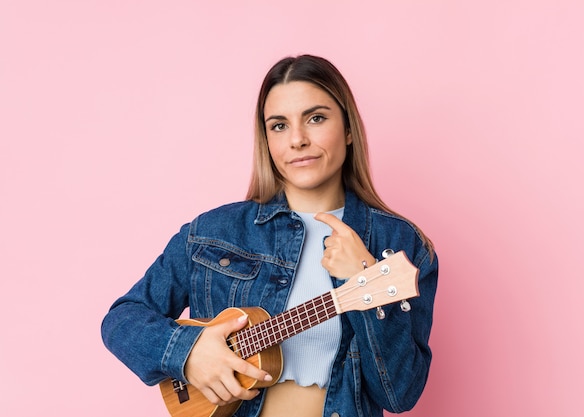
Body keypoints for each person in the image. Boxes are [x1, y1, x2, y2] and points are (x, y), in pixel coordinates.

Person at [101, 54, 438, 417]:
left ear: (349, 129)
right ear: (266, 139)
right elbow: (122, 320)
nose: (297, 139)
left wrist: (363, 273)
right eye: (279, 125)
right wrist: (189, 351)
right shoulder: (212, 233)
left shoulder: (400, 244)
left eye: (316, 118)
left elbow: (400, 395)